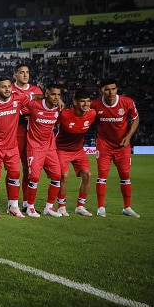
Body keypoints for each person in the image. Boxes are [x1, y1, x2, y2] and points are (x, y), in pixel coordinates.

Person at [0, 76, 39, 218]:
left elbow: (35, 98)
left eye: (9, 86)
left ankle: (13, 206)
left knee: (15, 174)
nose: (7, 89)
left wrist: (54, 98)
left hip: (12, 145)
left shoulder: (18, 98)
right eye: (3, 87)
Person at [91, 78, 140, 218]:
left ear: (117, 89)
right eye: (107, 89)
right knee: (102, 175)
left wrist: (129, 136)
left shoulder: (127, 102)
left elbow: (135, 119)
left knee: (125, 175)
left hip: (122, 145)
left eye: (113, 89)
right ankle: (101, 207)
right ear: (101, 91)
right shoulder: (95, 104)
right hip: (104, 144)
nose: (110, 92)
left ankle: (127, 207)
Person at [20, 84, 63, 218]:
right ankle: (30, 207)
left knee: (57, 176)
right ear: (46, 94)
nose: (56, 97)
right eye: (53, 94)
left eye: (58, 95)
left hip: (50, 147)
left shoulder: (59, 109)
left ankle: (49, 207)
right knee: (34, 177)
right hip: (34, 146)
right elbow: (20, 108)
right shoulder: (34, 105)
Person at [55, 89, 97, 217]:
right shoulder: (64, 114)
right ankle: (61, 207)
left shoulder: (92, 113)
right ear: (75, 102)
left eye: (88, 101)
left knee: (88, 174)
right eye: (82, 101)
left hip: (78, 150)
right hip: (61, 149)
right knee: (64, 175)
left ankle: (80, 206)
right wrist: (58, 100)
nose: (86, 104)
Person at [11, 63, 43, 213]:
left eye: (27, 72)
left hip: (32, 132)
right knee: (13, 169)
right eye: (21, 72)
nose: (25, 75)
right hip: (14, 130)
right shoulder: (9, 88)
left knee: (27, 169)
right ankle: (12, 203)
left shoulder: (36, 90)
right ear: (15, 75)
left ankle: (25, 201)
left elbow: (41, 107)